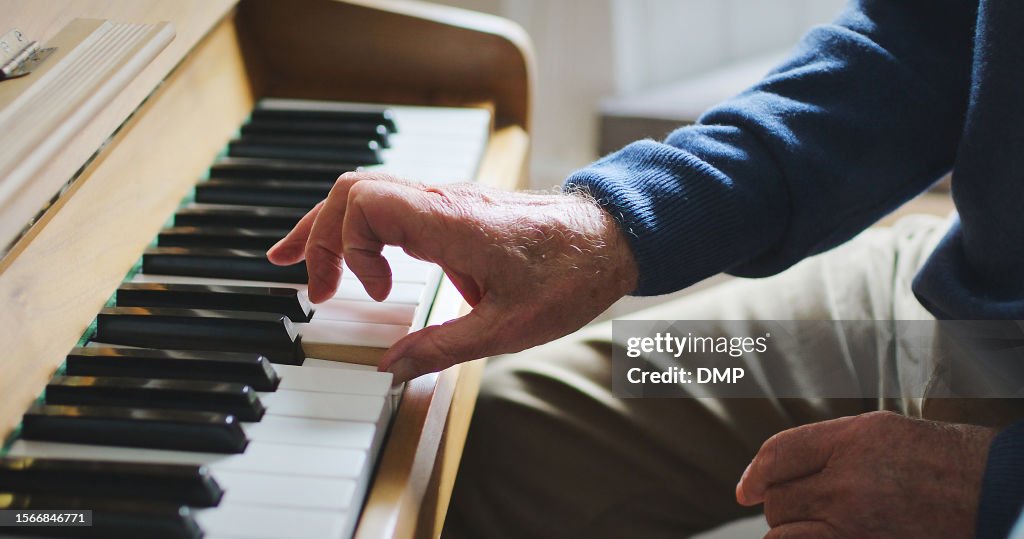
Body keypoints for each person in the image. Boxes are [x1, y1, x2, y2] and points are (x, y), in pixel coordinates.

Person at [267, 0, 1024, 537]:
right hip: (947, 293)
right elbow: (924, 45)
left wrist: (998, 491)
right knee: (508, 430)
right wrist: (608, 225)